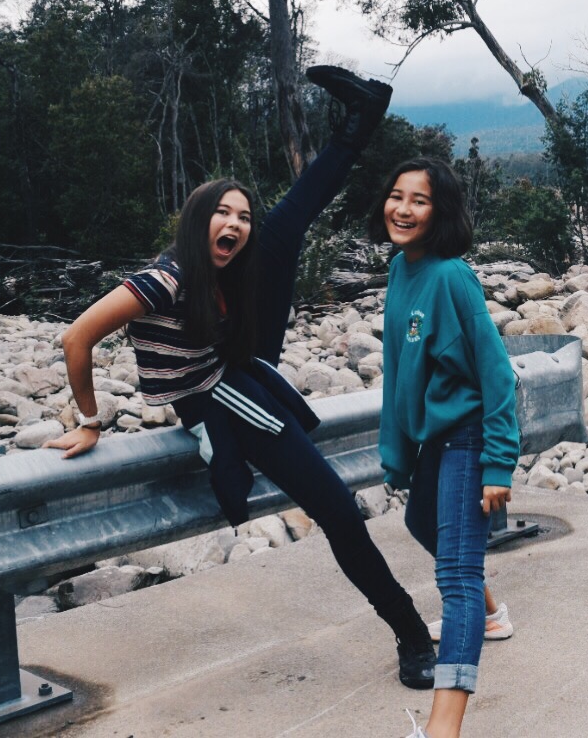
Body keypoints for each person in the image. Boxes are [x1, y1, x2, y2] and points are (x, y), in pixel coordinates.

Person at [43, 66, 438, 691]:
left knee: (290, 222)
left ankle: (363, 117)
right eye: (221, 214)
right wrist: (90, 422)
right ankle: (413, 635)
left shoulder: (226, 267)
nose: (234, 224)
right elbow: (76, 338)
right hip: (225, 394)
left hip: (240, 360)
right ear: (195, 219)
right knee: (339, 510)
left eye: (242, 216)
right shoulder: (164, 280)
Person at [370, 157, 519, 738]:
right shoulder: (400, 268)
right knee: (420, 523)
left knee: (455, 578)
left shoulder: (453, 277)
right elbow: (397, 368)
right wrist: (398, 452)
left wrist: (498, 463)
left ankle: (443, 730)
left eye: (420, 200)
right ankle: (491, 614)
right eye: (397, 195)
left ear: (441, 212)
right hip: (436, 438)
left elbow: (497, 372)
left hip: (469, 435)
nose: (403, 209)